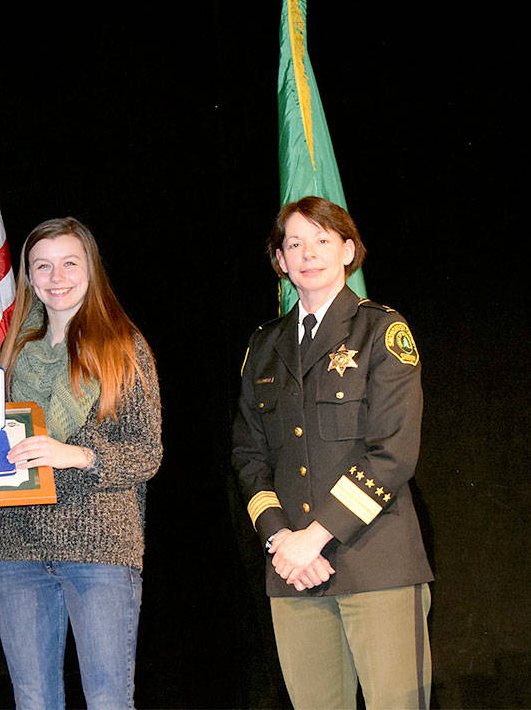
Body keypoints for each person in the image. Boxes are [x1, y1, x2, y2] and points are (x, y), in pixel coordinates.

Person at [231, 196, 433, 709]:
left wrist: (313, 539)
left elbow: (392, 455)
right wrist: (282, 541)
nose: (307, 253)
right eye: (293, 243)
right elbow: (249, 457)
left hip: (376, 566)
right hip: (295, 577)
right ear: (280, 261)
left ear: (348, 250)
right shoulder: (263, 346)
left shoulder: (381, 331)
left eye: (322, 240)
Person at [0, 217, 162, 710]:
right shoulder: (12, 353)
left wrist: (77, 455)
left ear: (91, 269)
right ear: (28, 277)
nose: (56, 276)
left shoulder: (124, 347)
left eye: (69, 263)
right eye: (42, 266)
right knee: (34, 699)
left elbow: (148, 451)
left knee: (107, 698)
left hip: (101, 549)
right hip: (18, 549)